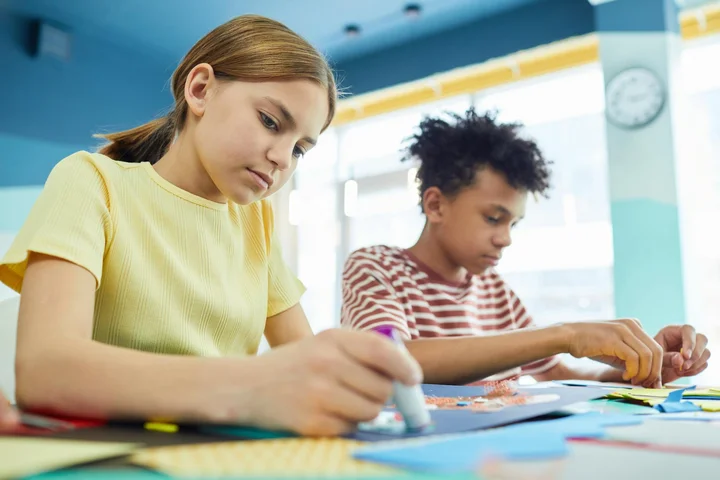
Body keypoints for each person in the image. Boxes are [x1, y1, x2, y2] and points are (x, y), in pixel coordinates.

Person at [0, 15, 422, 437]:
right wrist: (255, 388)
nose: (282, 158)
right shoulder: (92, 182)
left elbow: (303, 357)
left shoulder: (255, 220)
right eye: (271, 122)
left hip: (216, 452)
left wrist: (347, 376)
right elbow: (44, 372)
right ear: (200, 90)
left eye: (300, 149)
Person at [341, 108, 710, 388]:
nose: (506, 238)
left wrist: (636, 371)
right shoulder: (375, 268)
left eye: (513, 223)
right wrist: (565, 334)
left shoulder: (495, 291)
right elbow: (390, 359)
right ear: (436, 205)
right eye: (493, 218)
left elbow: (557, 372)